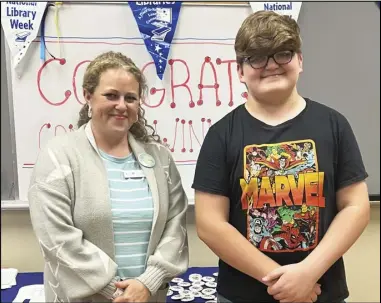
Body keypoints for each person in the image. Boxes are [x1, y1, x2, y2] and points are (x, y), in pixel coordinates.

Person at [192, 10, 370, 303]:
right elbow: (209, 224)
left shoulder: (334, 125)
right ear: (240, 70)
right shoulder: (220, 134)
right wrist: (281, 280)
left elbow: (355, 206)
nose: (271, 65)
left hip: (322, 292)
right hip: (243, 295)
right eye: (257, 58)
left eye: (282, 54)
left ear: (300, 60)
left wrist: (307, 274)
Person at [28, 51, 189, 303]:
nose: (122, 105)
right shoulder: (58, 156)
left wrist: (147, 284)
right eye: (111, 95)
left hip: (147, 296)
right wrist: (116, 291)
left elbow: (176, 225)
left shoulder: (160, 159)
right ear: (88, 96)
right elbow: (55, 237)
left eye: (131, 98)